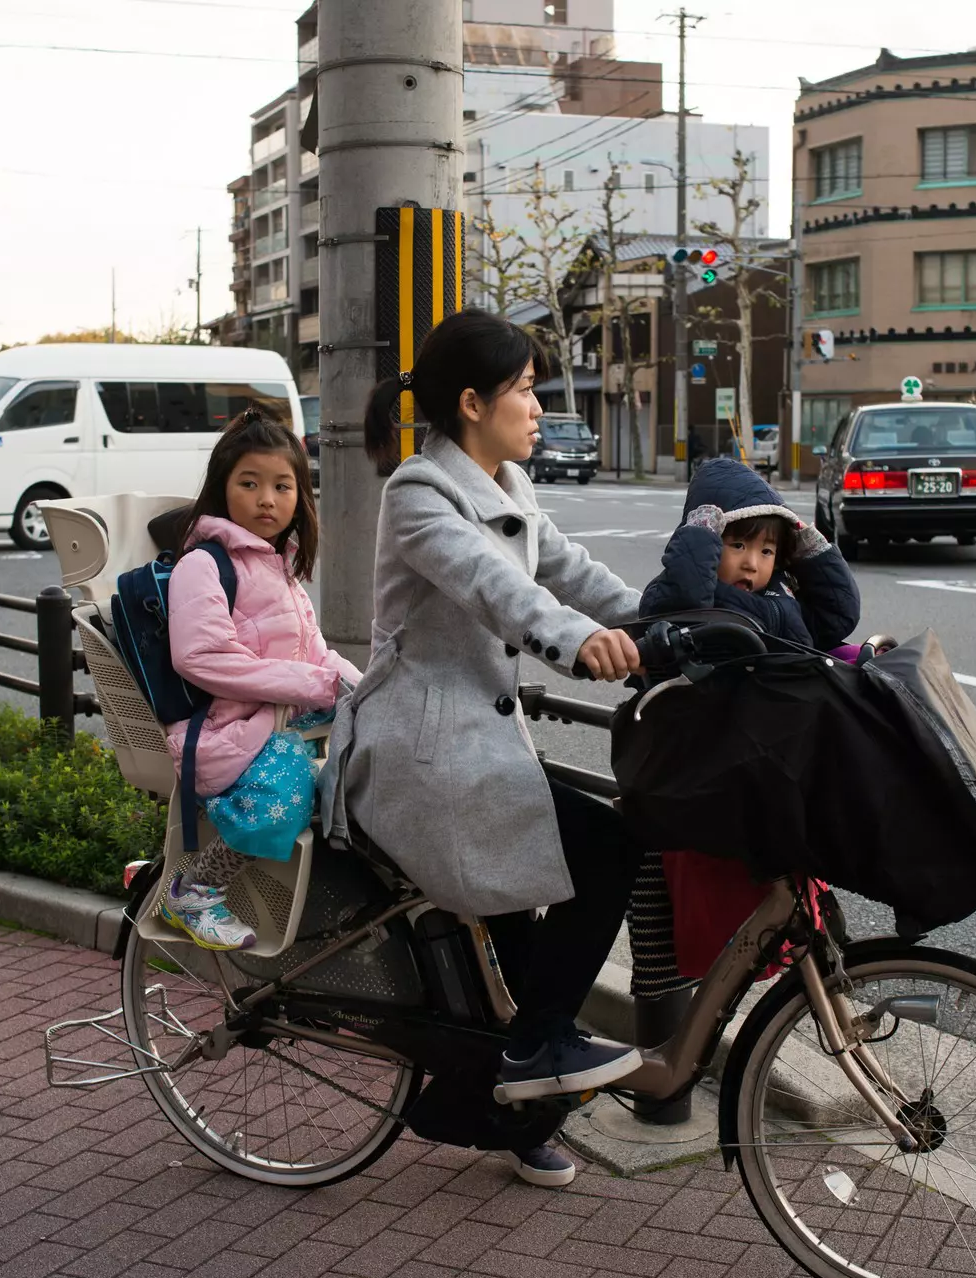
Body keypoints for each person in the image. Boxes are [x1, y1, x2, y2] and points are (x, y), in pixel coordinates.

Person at [324, 310, 643, 1189]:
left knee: (523, 930)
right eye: (526, 389)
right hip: (421, 754)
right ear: (472, 401)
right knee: (609, 849)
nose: (540, 405)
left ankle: (506, 1101)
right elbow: (496, 586)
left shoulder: (506, 480)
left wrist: (667, 622)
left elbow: (568, 569)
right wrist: (578, 643)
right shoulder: (419, 492)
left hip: (480, 746)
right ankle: (530, 1061)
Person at [151, 405, 359, 951]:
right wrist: (314, 686)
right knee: (290, 785)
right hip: (221, 733)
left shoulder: (279, 567)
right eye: (250, 483)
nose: (268, 499)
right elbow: (203, 658)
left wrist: (366, 687)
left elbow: (315, 652)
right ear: (223, 489)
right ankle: (194, 889)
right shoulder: (205, 564)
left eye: (283, 486)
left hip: (269, 721)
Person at [640, 456, 861, 650]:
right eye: (738, 546)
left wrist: (812, 551)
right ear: (710, 540)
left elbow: (837, 617)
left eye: (766, 551)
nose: (752, 564)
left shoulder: (783, 590)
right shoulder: (685, 592)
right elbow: (679, 602)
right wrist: (698, 536)